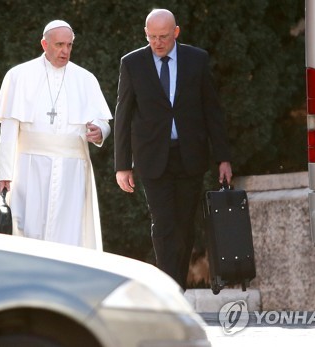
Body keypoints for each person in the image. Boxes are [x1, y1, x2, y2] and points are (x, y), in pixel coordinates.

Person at [114, 9, 233, 290]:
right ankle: (170, 289)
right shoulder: (132, 63)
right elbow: (123, 113)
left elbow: (212, 111)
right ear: (146, 34)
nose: (157, 43)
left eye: (164, 37)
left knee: (184, 227)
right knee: (164, 224)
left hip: (190, 156)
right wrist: (122, 165)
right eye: (152, 37)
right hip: (153, 158)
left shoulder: (197, 59)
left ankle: (176, 286)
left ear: (176, 32)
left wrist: (223, 158)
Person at [0, 20, 112, 250]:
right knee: (28, 228)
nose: (65, 51)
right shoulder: (18, 75)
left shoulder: (85, 78)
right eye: (59, 45)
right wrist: (4, 173)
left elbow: (102, 121)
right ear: (44, 44)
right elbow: (8, 129)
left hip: (72, 171)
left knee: (70, 232)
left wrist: (99, 132)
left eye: (69, 45)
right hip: (29, 168)